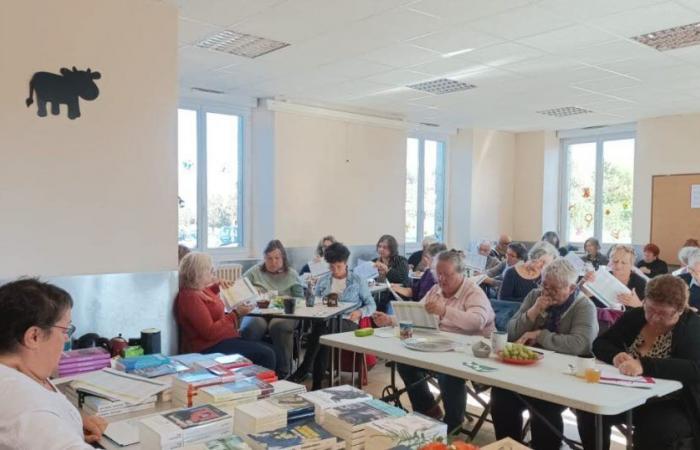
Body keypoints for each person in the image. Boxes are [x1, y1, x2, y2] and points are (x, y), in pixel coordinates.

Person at [374, 249, 496, 433]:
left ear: (461, 273)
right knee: (405, 363)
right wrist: (390, 320)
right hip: (440, 346)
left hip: (472, 351)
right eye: (438, 274)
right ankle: (428, 411)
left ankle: (453, 424)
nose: (441, 279)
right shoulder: (436, 289)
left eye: (446, 274)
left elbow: (476, 322)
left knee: (449, 374)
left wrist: (444, 311)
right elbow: (418, 312)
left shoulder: (473, 292)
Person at [576, 275, 700, 450]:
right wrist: (615, 355)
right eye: (650, 309)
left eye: (663, 313)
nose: (654, 318)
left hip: (674, 402)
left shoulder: (692, 327)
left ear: (680, 310)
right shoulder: (637, 316)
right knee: (590, 410)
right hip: (628, 394)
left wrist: (644, 365)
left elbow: (695, 368)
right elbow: (600, 343)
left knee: (656, 429)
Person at [491, 259, 598, 450]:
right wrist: (533, 311)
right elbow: (512, 332)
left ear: (571, 288)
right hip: (528, 371)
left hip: (564, 376)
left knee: (543, 406)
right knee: (501, 396)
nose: (546, 292)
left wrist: (541, 335)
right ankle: (509, 447)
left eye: (554, 288)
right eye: (544, 284)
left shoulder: (584, 306)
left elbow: (580, 344)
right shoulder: (534, 296)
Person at [0, 279, 108, 449]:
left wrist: (70, 426)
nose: (66, 338)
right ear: (34, 336)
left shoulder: (21, 372)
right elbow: (34, 421)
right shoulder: (27, 408)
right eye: (65, 330)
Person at [289, 242, 376, 388]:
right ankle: (315, 382)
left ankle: (307, 371)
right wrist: (313, 298)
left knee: (322, 334)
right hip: (326, 320)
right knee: (324, 335)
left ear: (346, 263)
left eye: (339, 266)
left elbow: (371, 304)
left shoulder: (357, 280)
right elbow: (314, 301)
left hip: (348, 321)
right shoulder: (324, 280)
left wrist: (360, 312)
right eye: (331, 267)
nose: (335, 270)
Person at [176, 253, 276, 369]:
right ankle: (266, 384)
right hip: (209, 346)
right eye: (209, 270)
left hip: (223, 339)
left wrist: (217, 286)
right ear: (198, 274)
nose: (212, 272)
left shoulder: (200, 289)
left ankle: (284, 383)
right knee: (267, 354)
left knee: (274, 349)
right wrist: (236, 314)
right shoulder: (190, 297)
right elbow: (209, 332)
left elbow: (209, 299)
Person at [241, 240, 303, 378]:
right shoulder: (255, 272)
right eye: (269, 258)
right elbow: (240, 288)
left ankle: (283, 371)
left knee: (278, 326)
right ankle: (252, 368)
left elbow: (301, 299)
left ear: (283, 258)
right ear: (264, 258)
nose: (273, 262)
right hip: (259, 312)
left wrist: (285, 300)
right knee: (251, 327)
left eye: (277, 258)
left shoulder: (291, 274)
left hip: (285, 314)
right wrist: (252, 292)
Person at [585, 244, 646, 308]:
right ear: (610, 261)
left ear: (631, 265)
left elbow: (648, 313)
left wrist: (638, 305)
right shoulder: (602, 277)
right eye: (615, 261)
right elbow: (585, 300)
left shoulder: (641, 283)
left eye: (624, 262)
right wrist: (586, 286)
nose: (618, 266)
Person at [373, 234, 410, 313]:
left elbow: (402, 278)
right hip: (378, 296)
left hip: (395, 296)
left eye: (385, 247)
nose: (381, 249)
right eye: (379, 246)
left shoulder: (401, 260)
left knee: (391, 310)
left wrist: (387, 270)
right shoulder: (375, 261)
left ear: (392, 249)